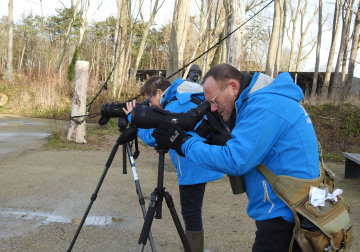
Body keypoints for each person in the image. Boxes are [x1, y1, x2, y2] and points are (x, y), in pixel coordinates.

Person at [151, 64, 320, 252]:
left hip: (286, 213)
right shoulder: (261, 101)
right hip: (289, 207)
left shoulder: (265, 105)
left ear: (233, 86)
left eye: (213, 101)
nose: (212, 109)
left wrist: (184, 142)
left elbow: (235, 160)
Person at [123, 75, 224, 252]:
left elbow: (153, 137)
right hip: (201, 159)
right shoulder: (184, 95)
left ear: (159, 92)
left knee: (191, 214)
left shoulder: (174, 105)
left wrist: (133, 118)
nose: (151, 105)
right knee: (192, 212)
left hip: (192, 166)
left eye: (150, 100)